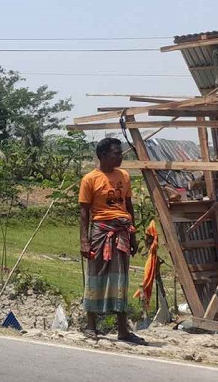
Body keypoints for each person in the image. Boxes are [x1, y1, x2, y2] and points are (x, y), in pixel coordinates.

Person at [79, 137, 146, 345]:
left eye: (120, 152)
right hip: (101, 233)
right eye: (116, 153)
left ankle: (123, 331)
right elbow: (84, 212)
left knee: (120, 279)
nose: (120, 156)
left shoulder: (124, 176)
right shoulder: (90, 179)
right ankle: (91, 325)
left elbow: (129, 206)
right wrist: (84, 240)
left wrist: (133, 235)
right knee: (95, 275)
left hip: (122, 233)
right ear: (103, 155)